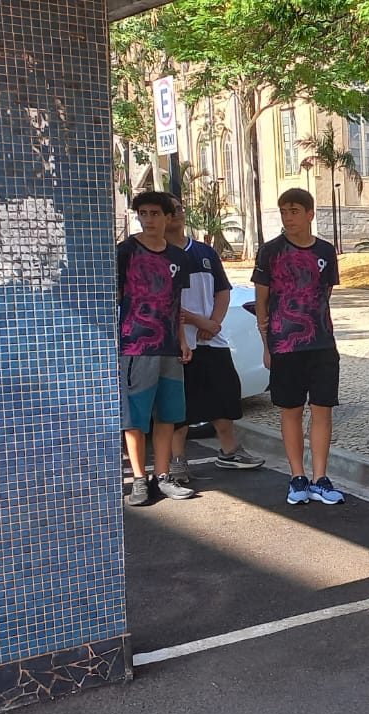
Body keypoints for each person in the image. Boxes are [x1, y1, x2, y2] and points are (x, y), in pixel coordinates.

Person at [253, 188, 345, 507]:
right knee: (290, 410)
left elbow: (324, 293)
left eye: (294, 211)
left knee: (322, 409)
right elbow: (262, 303)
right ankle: (297, 476)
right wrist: (267, 346)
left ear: (310, 214)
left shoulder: (325, 251)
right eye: (284, 211)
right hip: (284, 344)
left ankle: (320, 477)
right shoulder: (270, 251)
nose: (288, 217)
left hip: (321, 344)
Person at [167, 195, 265, 480]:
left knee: (224, 396)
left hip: (212, 340)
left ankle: (230, 451)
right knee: (180, 405)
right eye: (170, 211)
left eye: (179, 209)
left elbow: (222, 290)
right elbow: (166, 302)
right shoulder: (159, 256)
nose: (177, 214)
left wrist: (214, 323)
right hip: (178, 343)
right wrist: (199, 322)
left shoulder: (205, 252)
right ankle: (177, 461)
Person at [119, 191, 196, 506]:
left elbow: (174, 303)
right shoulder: (125, 251)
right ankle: (139, 479)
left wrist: (182, 340)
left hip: (168, 347)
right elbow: (114, 297)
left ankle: (162, 476)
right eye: (143, 214)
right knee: (135, 417)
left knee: (167, 415)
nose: (148, 220)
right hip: (135, 346)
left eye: (155, 214)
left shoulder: (178, 257)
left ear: (168, 217)